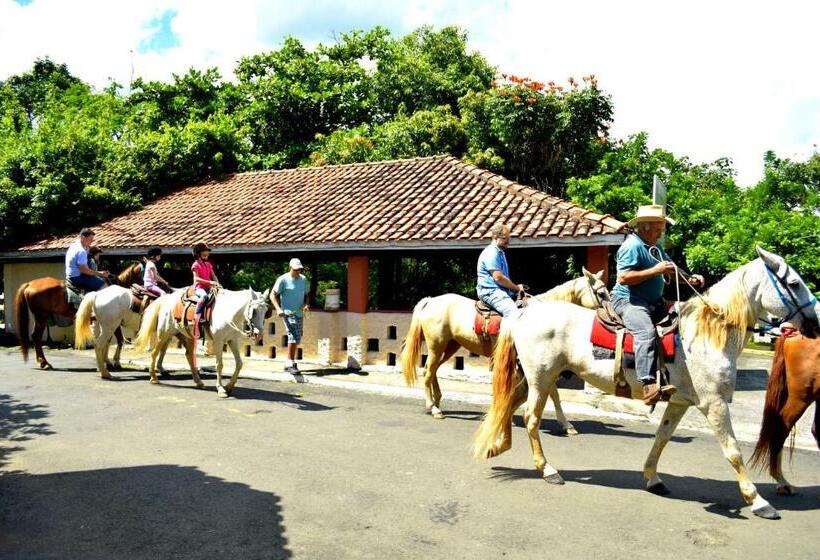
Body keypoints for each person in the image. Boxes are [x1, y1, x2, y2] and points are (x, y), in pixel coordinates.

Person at [611, 204, 705, 406]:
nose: (661, 232)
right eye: (658, 228)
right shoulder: (632, 247)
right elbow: (624, 278)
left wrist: (690, 279)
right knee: (646, 332)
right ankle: (648, 384)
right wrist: (656, 270)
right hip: (629, 301)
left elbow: (670, 271)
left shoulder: (656, 247)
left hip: (653, 302)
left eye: (662, 228)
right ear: (644, 227)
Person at [476, 223, 527, 318]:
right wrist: (516, 288)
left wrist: (515, 288)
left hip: (500, 291)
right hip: (490, 291)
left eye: (509, 238)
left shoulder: (500, 252)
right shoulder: (491, 253)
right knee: (514, 314)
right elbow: (498, 277)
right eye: (504, 238)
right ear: (495, 237)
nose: (508, 241)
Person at [272, 258, 310, 380]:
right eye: (295, 269)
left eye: (299, 269)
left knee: (297, 338)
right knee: (292, 335)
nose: (298, 271)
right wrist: (278, 309)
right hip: (287, 313)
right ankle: (290, 363)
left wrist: (306, 304)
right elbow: (272, 295)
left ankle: (288, 363)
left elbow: (307, 294)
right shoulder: (282, 279)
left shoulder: (303, 280)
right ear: (290, 268)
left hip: (299, 313)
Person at [191, 243, 220, 325]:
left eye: (207, 254)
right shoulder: (195, 265)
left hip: (209, 287)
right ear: (198, 254)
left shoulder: (208, 264)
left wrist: (218, 284)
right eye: (204, 254)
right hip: (199, 288)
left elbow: (213, 276)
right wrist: (210, 282)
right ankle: (197, 316)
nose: (207, 256)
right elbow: (196, 278)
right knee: (204, 296)